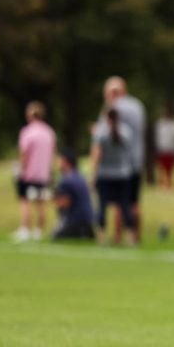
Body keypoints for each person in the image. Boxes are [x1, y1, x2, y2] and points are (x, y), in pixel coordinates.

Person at [102, 77, 147, 241]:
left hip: (119, 164)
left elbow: (104, 134)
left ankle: (118, 235)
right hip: (137, 160)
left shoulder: (113, 108)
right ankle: (136, 235)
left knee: (119, 202)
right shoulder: (137, 106)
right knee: (134, 202)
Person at [90, 107, 136, 245]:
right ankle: (131, 238)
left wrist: (93, 175)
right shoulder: (126, 132)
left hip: (105, 175)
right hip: (123, 174)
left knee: (102, 206)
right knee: (125, 205)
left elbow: (97, 155)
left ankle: (101, 237)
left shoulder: (101, 133)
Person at [13, 101, 57, 242]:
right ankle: (39, 231)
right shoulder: (49, 132)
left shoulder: (27, 132)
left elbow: (24, 153)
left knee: (25, 201)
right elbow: (52, 154)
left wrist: (21, 169)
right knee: (40, 202)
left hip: (29, 174)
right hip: (44, 174)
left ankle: (25, 229)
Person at [51, 147, 96, 240]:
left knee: (55, 236)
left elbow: (65, 203)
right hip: (89, 223)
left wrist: (54, 197)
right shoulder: (81, 176)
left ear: (65, 161)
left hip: (75, 222)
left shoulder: (66, 180)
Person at [154, 101, 174, 190]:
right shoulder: (160, 123)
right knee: (162, 169)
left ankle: (172, 186)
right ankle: (163, 186)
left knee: (173, 170)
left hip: (173, 149)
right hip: (162, 149)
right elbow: (158, 137)